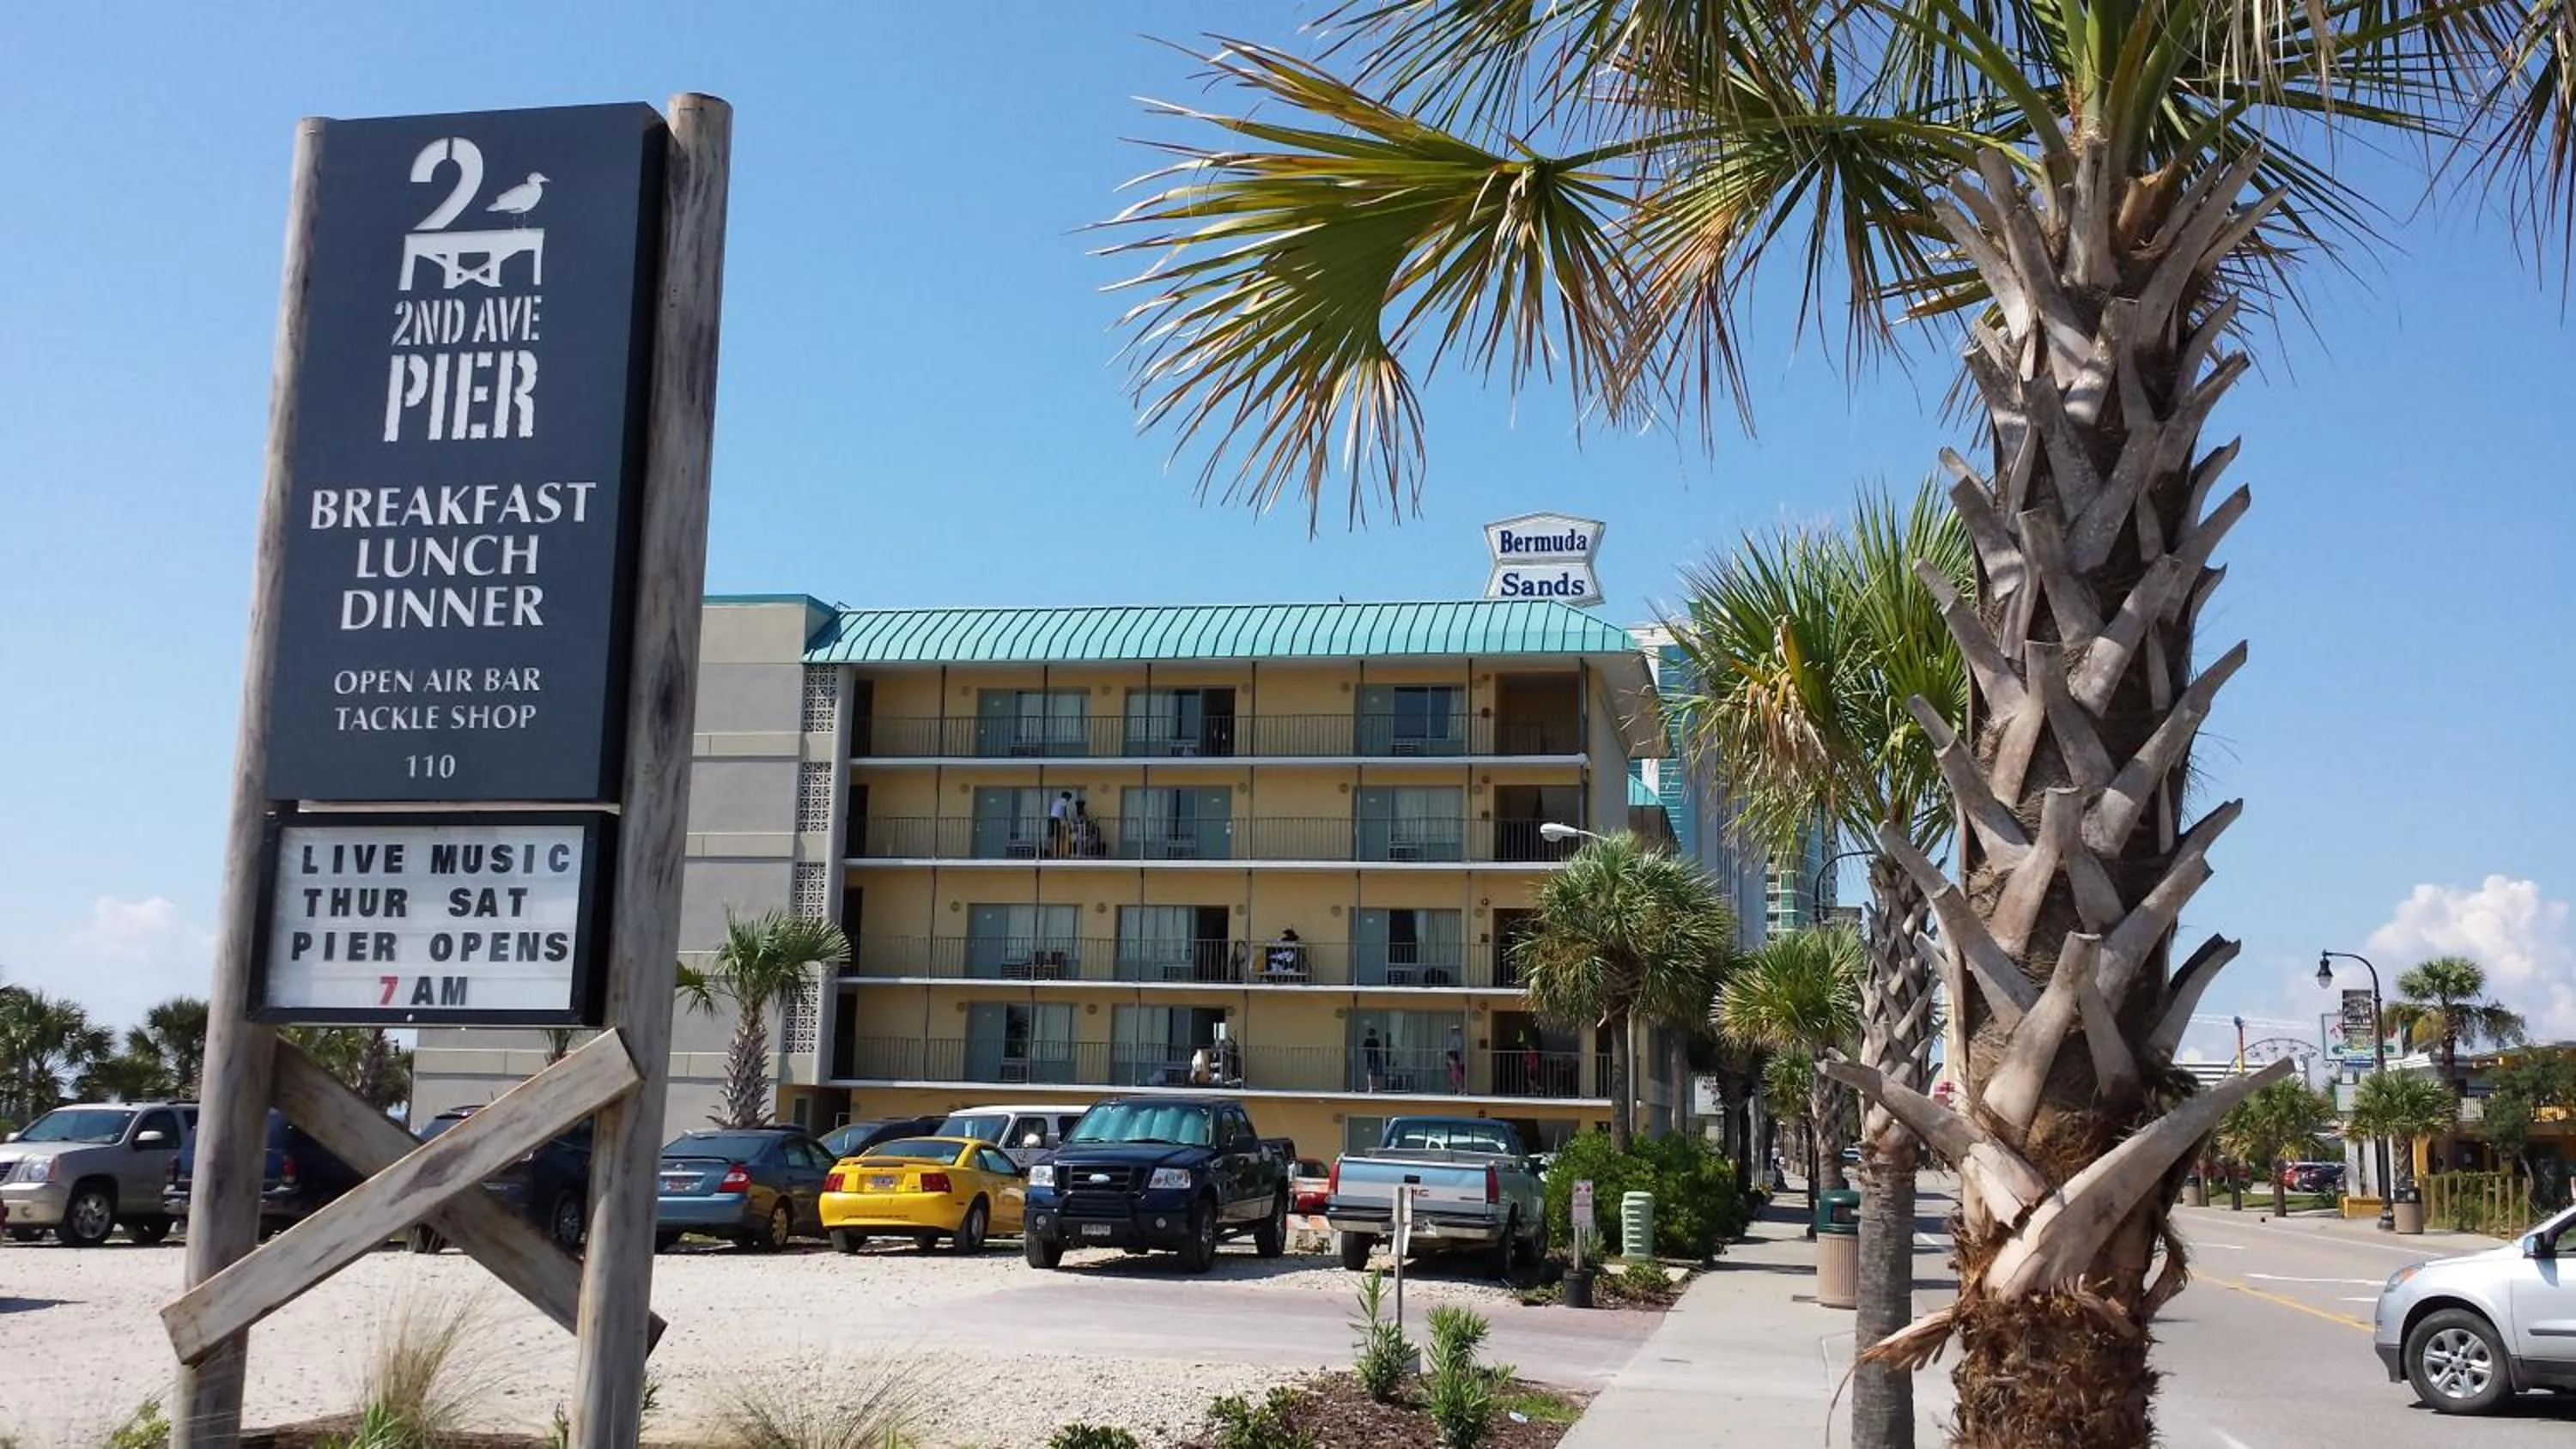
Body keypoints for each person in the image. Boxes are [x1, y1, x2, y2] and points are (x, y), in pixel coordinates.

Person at [1048, 791, 1075, 857]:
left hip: (1051, 819)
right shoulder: (1063, 800)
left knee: (1052, 836)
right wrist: (1068, 822)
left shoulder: (1057, 801)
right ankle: (1057, 852)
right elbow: (1065, 813)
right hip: (1055, 819)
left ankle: (1051, 852)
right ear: (1066, 797)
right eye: (1069, 798)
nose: (1069, 800)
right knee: (1058, 836)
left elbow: (1060, 812)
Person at [1362, 1027, 1386, 1092]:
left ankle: (1371, 1086)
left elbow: (1364, 1049)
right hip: (1375, 1058)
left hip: (1369, 1058)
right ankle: (1375, 1086)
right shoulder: (1376, 1041)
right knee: (1375, 1073)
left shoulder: (1367, 1041)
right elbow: (1378, 1049)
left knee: (1370, 1073)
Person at [1446, 1023, 1467, 1094]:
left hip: (1456, 1056)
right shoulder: (1454, 1038)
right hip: (1454, 1055)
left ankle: (1459, 1089)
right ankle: (1457, 1089)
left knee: (1458, 1074)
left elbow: (1459, 1047)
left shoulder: (1458, 1038)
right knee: (1455, 1074)